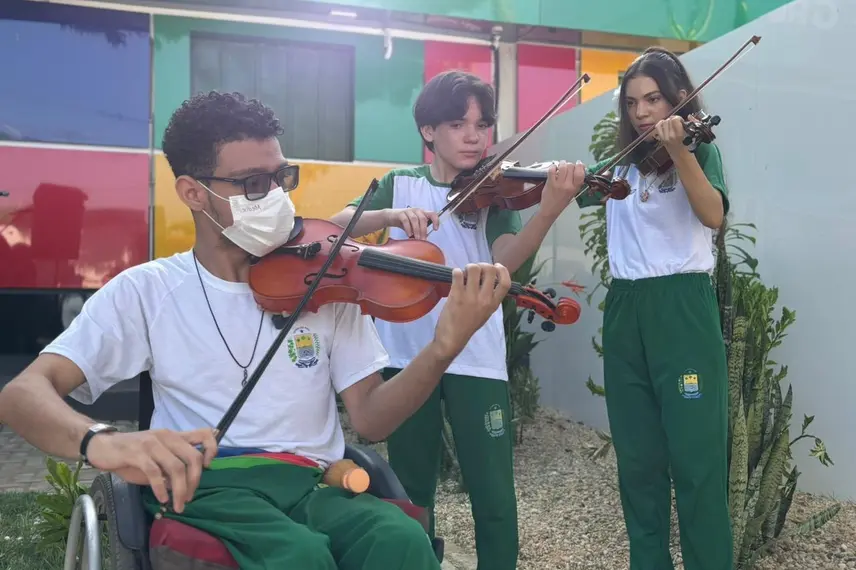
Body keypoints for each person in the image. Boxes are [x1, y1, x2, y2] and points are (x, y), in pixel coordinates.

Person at [0, 91, 513, 570]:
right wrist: (102, 443)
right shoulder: (147, 291)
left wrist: (444, 346)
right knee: (297, 556)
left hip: (315, 483)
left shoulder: (327, 282)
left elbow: (372, 420)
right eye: (252, 184)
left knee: (401, 541)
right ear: (193, 193)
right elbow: (22, 394)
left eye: (280, 178)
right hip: (211, 489)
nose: (274, 197)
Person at [329, 70, 587, 570]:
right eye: (457, 124)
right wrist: (389, 216)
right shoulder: (399, 183)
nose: (474, 137)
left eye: (482, 125)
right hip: (406, 356)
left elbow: (507, 265)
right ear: (428, 131)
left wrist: (548, 211)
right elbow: (337, 227)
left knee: (493, 492)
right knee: (410, 490)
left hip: (476, 355)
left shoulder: (495, 192)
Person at [579, 47, 732, 570]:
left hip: (681, 305)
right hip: (626, 306)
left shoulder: (699, 152)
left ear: (679, 99)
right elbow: (573, 191)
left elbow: (713, 215)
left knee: (696, 461)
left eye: (653, 99)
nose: (642, 112)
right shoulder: (620, 166)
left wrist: (680, 151)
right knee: (638, 462)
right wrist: (556, 177)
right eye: (632, 103)